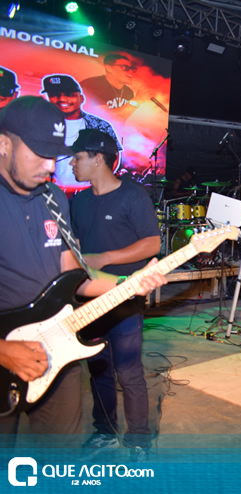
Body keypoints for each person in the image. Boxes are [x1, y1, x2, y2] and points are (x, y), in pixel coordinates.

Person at [0, 96, 166, 447]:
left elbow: (72, 273)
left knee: (59, 454)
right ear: (4, 144)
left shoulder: (54, 198)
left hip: (57, 347)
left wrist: (128, 284)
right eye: (39, 153)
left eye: (55, 156)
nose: (50, 166)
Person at [69, 129, 161, 461]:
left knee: (128, 370)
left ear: (98, 158)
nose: (72, 164)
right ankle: (104, 433)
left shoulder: (133, 196)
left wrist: (105, 258)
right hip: (89, 299)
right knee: (99, 370)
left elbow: (152, 243)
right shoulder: (79, 201)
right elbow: (77, 247)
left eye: (77, 157)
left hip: (124, 297)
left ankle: (138, 440)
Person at [40, 74, 123, 194]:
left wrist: (98, 184)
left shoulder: (99, 125)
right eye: (54, 95)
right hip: (52, 192)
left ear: (81, 98)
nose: (62, 99)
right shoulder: (41, 124)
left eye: (69, 94)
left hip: (89, 193)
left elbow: (114, 157)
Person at [80, 53, 153, 121]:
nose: (131, 72)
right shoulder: (91, 85)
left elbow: (121, 120)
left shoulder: (128, 92)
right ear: (109, 68)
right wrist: (137, 100)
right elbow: (103, 118)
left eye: (133, 69)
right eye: (125, 68)